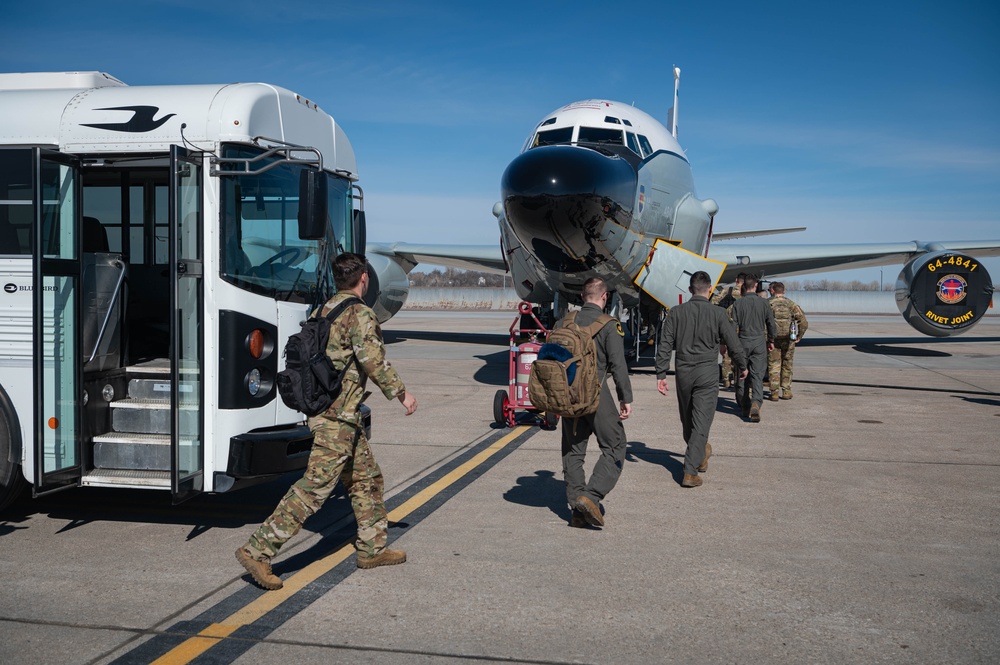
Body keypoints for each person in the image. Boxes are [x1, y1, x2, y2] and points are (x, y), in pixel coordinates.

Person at [236, 252, 418, 590]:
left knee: (367, 479)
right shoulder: (359, 314)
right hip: (338, 418)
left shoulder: (324, 310)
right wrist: (402, 394)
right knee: (315, 489)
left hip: (333, 413)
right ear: (364, 278)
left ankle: (372, 548)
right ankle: (257, 549)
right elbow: (372, 361)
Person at [656, 271, 747, 488]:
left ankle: (695, 460)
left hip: (684, 371)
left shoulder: (675, 313)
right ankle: (693, 465)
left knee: (690, 420)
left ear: (690, 290)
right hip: (707, 371)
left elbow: (665, 344)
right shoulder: (718, 313)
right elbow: (733, 343)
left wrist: (661, 373)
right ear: (710, 290)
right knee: (699, 421)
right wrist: (742, 365)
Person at [560, 277, 632, 528]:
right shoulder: (609, 325)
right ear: (604, 298)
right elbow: (618, 365)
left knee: (573, 451)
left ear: (582, 297)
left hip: (569, 396)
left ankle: (576, 509)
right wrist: (626, 398)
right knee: (615, 446)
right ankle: (590, 497)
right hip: (596, 394)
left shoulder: (565, 321)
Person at [728, 274, 775, 422]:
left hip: (742, 341)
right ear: (755, 286)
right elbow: (771, 325)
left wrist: (731, 345)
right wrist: (771, 340)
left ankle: (744, 405)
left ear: (743, 287)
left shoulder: (737, 304)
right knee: (757, 375)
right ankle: (756, 401)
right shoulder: (764, 303)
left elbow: (732, 327)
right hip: (759, 341)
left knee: (742, 374)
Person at [767, 281, 809, 400]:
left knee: (774, 365)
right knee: (787, 365)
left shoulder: (767, 304)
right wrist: (798, 336)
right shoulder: (791, 304)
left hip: (772, 340)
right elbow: (804, 323)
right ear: (784, 291)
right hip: (788, 340)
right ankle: (786, 391)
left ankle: (774, 393)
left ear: (772, 290)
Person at [711, 272, 745, 388]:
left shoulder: (727, 291)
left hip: (727, 326)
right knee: (739, 353)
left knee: (726, 355)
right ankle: (738, 378)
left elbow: (713, 302)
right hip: (741, 329)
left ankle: (726, 379)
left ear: (736, 280)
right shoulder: (747, 294)